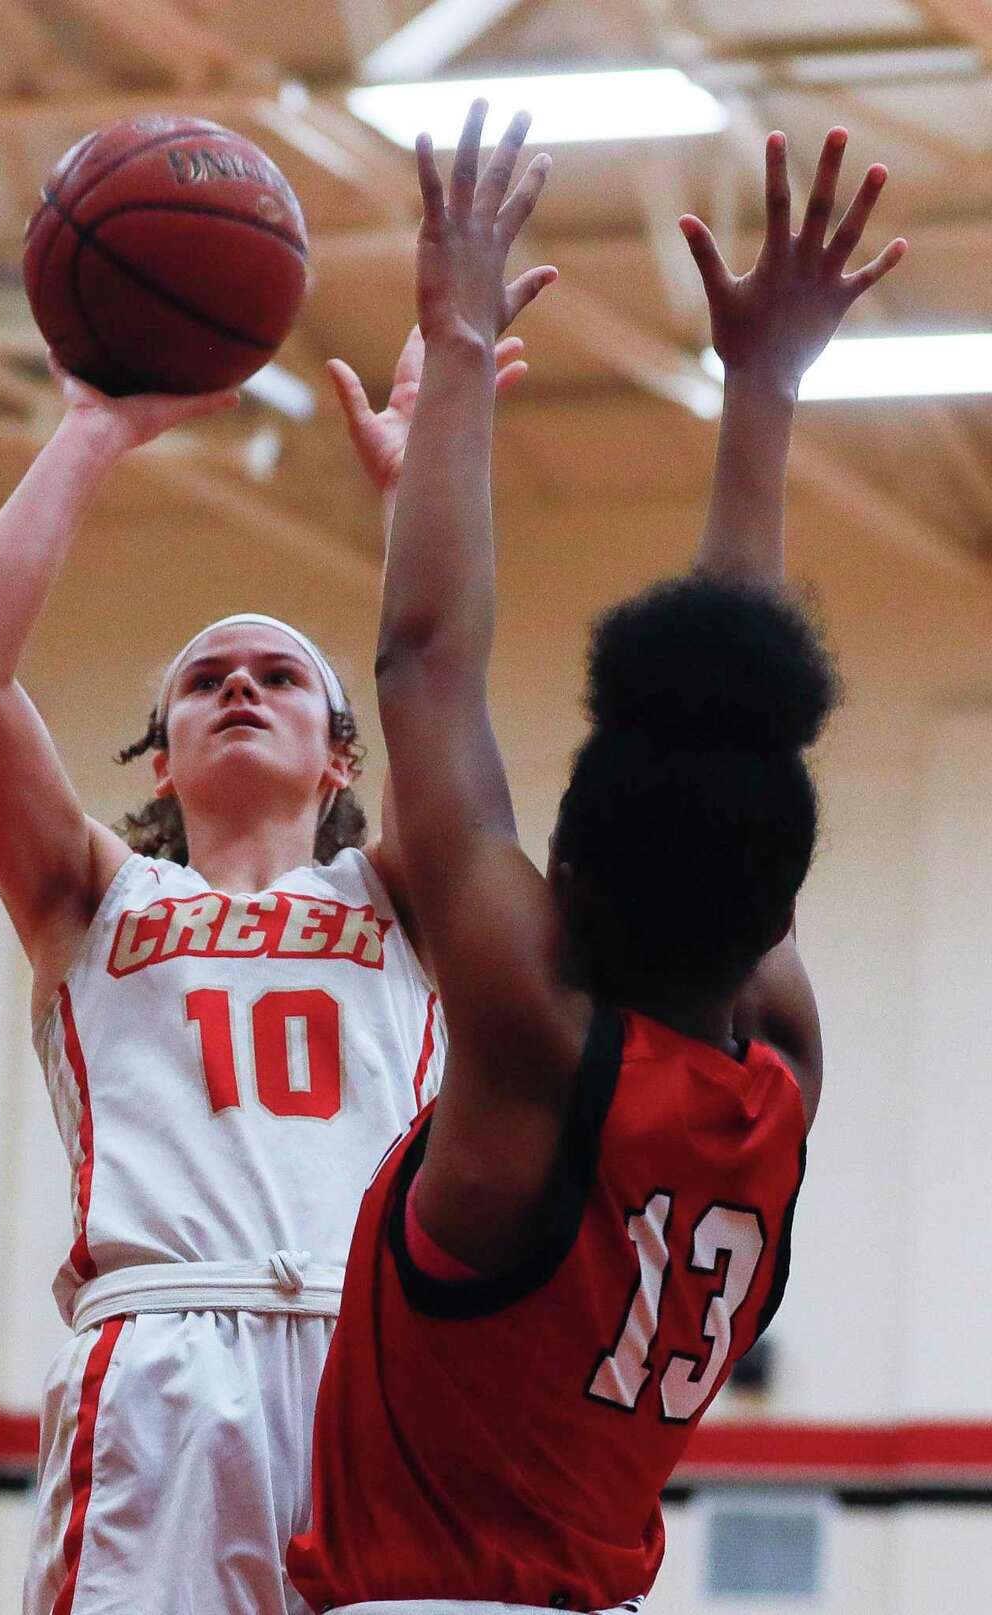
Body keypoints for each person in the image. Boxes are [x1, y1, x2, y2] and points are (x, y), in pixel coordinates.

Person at [288, 105, 905, 1613]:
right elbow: (733, 745)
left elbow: (428, 658)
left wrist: (455, 336)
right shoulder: (781, 1078)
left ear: (562, 888)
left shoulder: (534, 1042)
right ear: (772, 915)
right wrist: (761, 391)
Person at [0, 325, 529, 1615]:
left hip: (374, 1364)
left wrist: (415, 489)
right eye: (205, 681)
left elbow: (446, 677)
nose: (240, 685)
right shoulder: (93, 897)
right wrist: (93, 430)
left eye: (280, 678)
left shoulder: (403, 891)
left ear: (343, 758)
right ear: (162, 760)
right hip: (162, 1360)